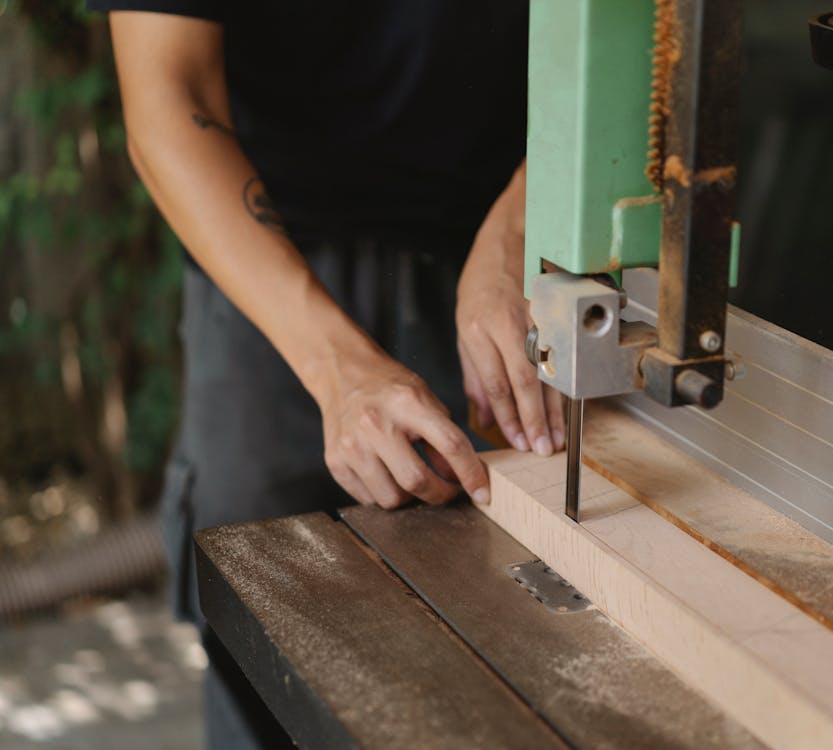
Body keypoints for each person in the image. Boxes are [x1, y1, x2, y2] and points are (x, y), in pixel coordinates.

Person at [89, 3, 560, 747]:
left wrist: (523, 226)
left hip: (510, 243)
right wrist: (338, 369)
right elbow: (168, 97)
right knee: (259, 624)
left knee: (521, 649)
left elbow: (641, 40)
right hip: (265, 254)